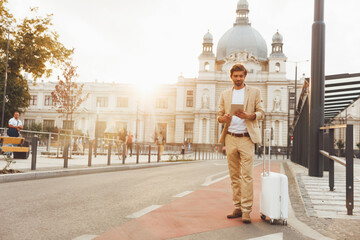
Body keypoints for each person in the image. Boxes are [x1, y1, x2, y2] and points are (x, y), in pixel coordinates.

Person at [217, 63, 265, 223]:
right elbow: (218, 116)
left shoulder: (255, 92)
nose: (238, 78)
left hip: (246, 138)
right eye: (235, 76)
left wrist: (249, 115)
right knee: (234, 176)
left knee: (248, 176)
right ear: (231, 77)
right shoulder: (224, 94)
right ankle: (237, 207)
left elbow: (262, 113)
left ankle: (246, 211)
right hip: (230, 137)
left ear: (245, 76)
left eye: (241, 76)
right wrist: (224, 118)